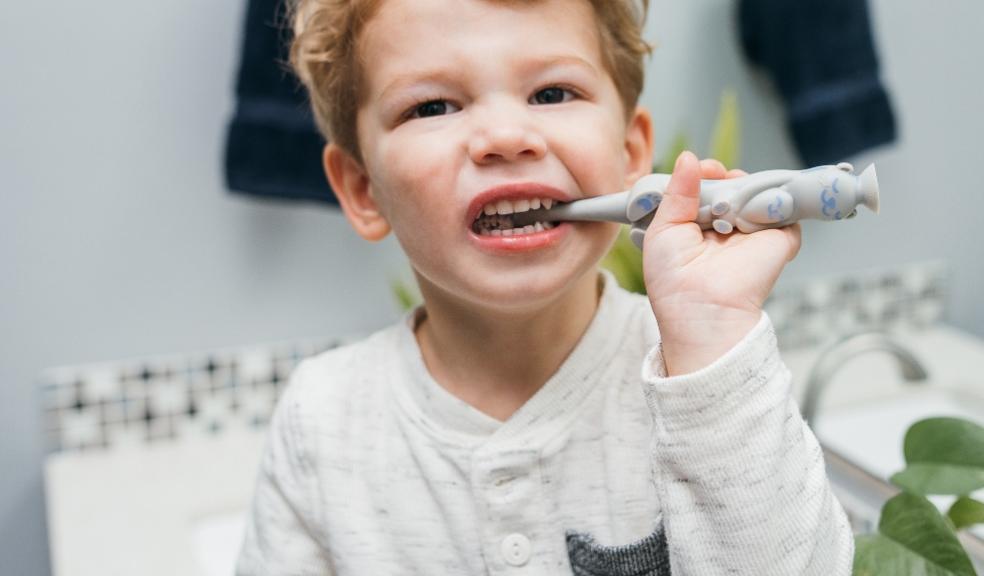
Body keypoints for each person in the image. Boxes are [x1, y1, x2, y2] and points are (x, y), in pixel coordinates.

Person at [236, 0, 854, 574]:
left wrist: (712, 341)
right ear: (362, 190)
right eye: (432, 107)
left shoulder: (709, 380)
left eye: (552, 93)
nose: (507, 138)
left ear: (629, 150)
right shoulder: (318, 423)